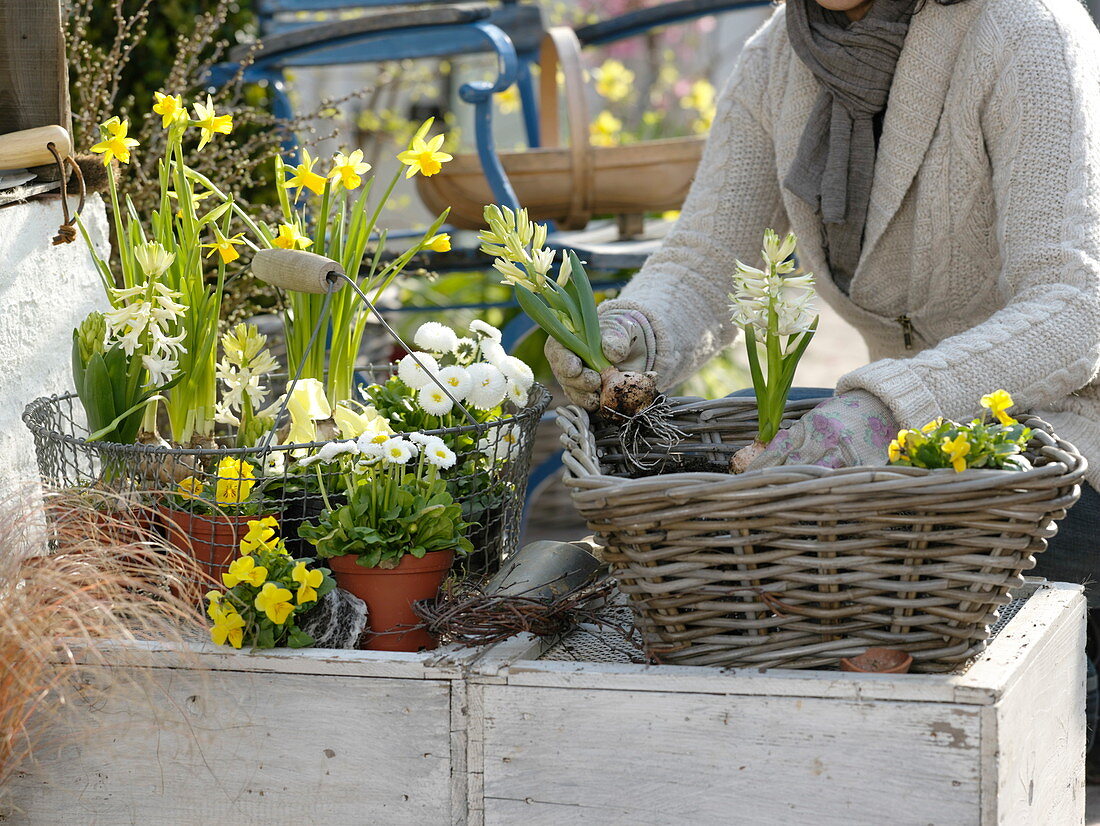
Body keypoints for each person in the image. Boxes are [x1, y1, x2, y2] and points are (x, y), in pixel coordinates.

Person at [546, 0, 1100, 758]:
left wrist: (887, 408)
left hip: (1065, 445)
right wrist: (631, 333)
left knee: (1041, 713)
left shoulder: (1025, 30)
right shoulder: (784, 51)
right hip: (912, 453)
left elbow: (1078, 306)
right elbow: (705, 261)